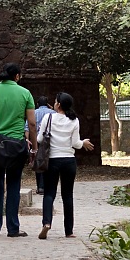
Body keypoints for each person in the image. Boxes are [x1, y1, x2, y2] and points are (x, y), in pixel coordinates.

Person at [0, 63, 37, 238]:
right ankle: (13, 228)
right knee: (13, 185)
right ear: (17, 76)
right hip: (17, 146)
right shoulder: (25, 93)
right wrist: (34, 147)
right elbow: (32, 124)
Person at [37, 92, 94, 240]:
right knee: (67, 195)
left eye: (55, 101)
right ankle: (69, 231)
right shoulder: (74, 121)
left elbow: (39, 138)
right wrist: (84, 143)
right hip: (69, 160)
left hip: (52, 160)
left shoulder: (48, 118)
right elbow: (75, 143)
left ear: (58, 104)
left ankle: (47, 222)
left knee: (49, 193)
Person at [32, 96, 54, 195]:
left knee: (39, 162)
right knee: (49, 162)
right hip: (50, 141)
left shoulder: (34, 112)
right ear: (47, 104)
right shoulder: (53, 113)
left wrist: (29, 141)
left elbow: (28, 127)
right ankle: (48, 185)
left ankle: (40, 186)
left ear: (37, 104)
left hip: (37, 140)